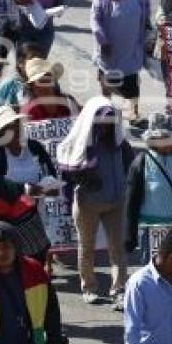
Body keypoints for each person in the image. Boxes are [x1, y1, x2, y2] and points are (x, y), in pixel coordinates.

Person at [57, 96, 134, 310]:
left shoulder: (120, 143)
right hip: (87, 203)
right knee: (87, 246)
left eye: (111, 121)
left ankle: (119, 290)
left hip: (116, 202)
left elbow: (130, 165)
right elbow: (66, 168)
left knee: (117, 248)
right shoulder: (81, 141)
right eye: (103, 121)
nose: (107, 126)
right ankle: (89, 288)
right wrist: (83, 177)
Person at [0, 105, 56, 263]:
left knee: (36, 263)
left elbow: (50, 172)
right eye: (9, 128)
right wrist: (26, 189)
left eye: (17, 126)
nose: (15, 131)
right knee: (14, 264)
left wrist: (51, 187)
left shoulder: (35, 147)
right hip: (10, 222)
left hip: (36, 219)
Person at [91, 0, 153, 124]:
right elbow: (95, 21)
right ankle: (105, 110)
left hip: (132, 45)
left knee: (132, 80)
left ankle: (133, 113)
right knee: (107, 80)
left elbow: (146, 7)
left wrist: (148, 26)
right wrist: (103, 41)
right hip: (109, 48)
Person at [125, 114, 172, 253]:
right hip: (151, 231)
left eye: (166, 138)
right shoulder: (142, 161)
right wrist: (130, 236)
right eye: (158, 139)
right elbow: (131, 203)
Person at [20, 57, 80, 122]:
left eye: (47, 81)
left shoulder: (69, 103)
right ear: (32, 87)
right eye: (40, 82)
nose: (44, 86)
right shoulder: (29, 110)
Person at [0, 42, 45, 108]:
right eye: (32, 58)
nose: (37, 62)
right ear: (20, 63)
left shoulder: (46, 82)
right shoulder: (10, 83)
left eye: (39, 59)